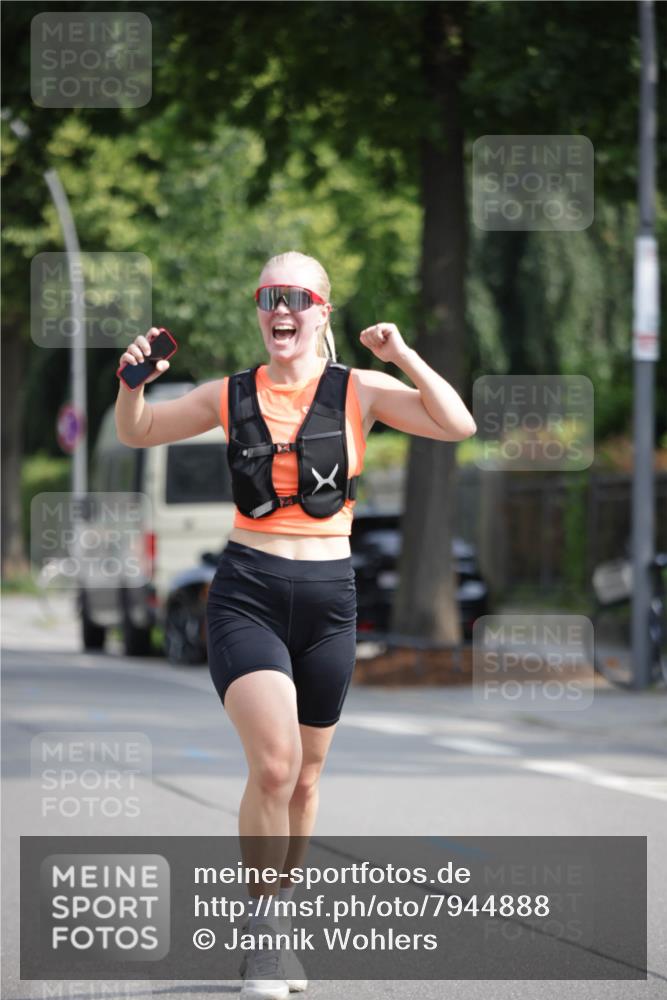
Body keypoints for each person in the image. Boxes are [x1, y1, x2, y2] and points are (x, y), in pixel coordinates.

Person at [115, 250, 476, 1000]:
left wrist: (402, 353)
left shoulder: (361, 391)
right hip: (247, 589)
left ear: (322, 313)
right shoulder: (228, 393)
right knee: (274, 766)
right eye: (269, 296)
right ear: (259, 310)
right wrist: (130, 386)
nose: (281, 308)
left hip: (328, 597)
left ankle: (279, 908)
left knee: (308, 778)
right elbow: (139, 432)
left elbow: (456, 422)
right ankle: (263, 933)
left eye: (297, 297)